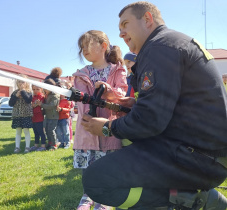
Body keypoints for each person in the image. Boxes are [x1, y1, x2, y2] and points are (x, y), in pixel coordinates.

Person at [80, 2, 227, 210]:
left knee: (96, 181)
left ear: (148, 19)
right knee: (126, 154)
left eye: (125, 24)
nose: (121, 33)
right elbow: (172, 106)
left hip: (197, 158)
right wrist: (132, 103)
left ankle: (195, 201)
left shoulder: (159, 47)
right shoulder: (169, 43)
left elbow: (150, 120)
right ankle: (186, 196)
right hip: (204, 154)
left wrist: (107, 127)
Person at [72, 30, 128, 210]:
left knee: (107, 168)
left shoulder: (117, 70)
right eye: (82, 47)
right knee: (88, 168)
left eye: (87, 45)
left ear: (103, 46)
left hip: (108, 128)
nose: (84, 50)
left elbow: (121, 93)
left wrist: (108, 90)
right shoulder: (81, 74)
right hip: (87, 129)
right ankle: (87, 197)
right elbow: (81, 102)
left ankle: (103, 198)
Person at [9, 75, 33, 153]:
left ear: (26, 83)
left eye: (23, 81)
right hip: (17, 114)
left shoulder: (29, 92)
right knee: (18, 131)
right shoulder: (14, 92)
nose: (21, 83)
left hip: (26, 114)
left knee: (26, 130)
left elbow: (28, 100)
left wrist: (22, 91)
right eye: (19, 81)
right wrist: (15, 96)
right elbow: (11, 103)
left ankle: (27, 147)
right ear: (17, 83)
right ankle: (17, 147)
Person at [37, 78, 60, 150]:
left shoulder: (54, 95)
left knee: (51, 130)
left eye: (46, 88)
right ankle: (50, 143)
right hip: (48, 116)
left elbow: (51, 106)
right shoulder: (48, 95)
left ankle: (54, 145)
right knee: (47, 130)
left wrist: (41, 104)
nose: (45, 90)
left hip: (53, 117)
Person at [30, 85, 46, 152]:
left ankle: (43, 145)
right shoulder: (33, 97)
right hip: (34, 117)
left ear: (41, 89)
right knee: (35, 132)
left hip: (40, 117)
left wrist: (35, 104)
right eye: (33, 89)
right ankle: (36, 145)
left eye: (37, 89)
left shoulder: (42, 96)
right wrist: (35, 104)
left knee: (41, 132)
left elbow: (40, 104)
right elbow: (32, 105)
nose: (35, 91)